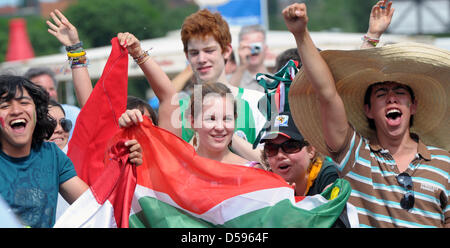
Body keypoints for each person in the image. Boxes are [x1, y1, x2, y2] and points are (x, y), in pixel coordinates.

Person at [283, 2, 450, 227]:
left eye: (400, 92)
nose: (392, 98)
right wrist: (300, 33)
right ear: (368, 110)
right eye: (382, 93)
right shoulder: (354, 153)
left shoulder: (444, 163)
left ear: (414, 106)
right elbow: (327, 93)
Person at [0, 75, 143, 227]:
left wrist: (125, 160)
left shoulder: (51, 154)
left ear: (37, 112)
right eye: (4, 106)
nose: (16, 110)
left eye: (24, 102)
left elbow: (93, 208)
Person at [259, 112, 339, 196]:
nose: (279, 155)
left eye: (290, 146)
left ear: (311, 150)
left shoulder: (329, 176)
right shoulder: (281, 189)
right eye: (272, 148)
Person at [23, 67, 81, 141]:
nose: (48, 93)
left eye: (51, 88)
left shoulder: (73, 113)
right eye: (42, 89)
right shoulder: (24, 118)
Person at [229, 24, 269, 92]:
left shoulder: (277, 82)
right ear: (240, 49)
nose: (252, 50)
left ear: (266, 48)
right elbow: (227, 97)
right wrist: (242, 66)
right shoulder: (229, 81)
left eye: (257, 46)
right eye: (248, 46)